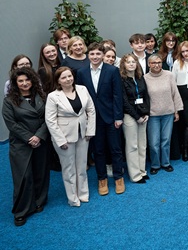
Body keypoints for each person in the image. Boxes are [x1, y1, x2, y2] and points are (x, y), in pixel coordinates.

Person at [2, 67, 50, 226]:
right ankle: (21, 211)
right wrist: (30, 138)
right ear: (15, 83)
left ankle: (39, 201)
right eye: (20, 81)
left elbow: (48, 118)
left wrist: (39, 136)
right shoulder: (9, 101)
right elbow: (11, 124)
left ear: (32, 80)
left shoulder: (41, 96)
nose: (24, 83)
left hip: (40, 139)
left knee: (40, 172)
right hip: (21, 142)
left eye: (27, 80)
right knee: (23, 176)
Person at [77, 42, 126, 195]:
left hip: (111, 117)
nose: (95, 56)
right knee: (98, 150)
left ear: (103, 55)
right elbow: (80, 96)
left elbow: (117, 95)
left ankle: (118, 178)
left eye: (98, 54)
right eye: (92, 54)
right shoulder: (81, 73)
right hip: (92, 118)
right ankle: (102, 179)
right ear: (88, 55)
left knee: (115, 149)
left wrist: (118, 117)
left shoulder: (112, 71)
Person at [45, 66, 96, 205]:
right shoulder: (53, 96)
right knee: (69, 169)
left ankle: (83, 193)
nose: (68, 79)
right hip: (64, 137)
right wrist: (60, 140)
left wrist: (90, 130)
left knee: (82, 166)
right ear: (58, 81)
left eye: (70, 76)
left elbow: (91, 110)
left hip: (83, 134)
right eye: (64, 77)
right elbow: (50, 120)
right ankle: (73, 198)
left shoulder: (82, 89)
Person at [145, 54, 183, 174]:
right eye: (154, 63)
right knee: (153, 143)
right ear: (149, 64)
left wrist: (177, 110)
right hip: (153, 115)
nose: (157, 65)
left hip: (168, 113)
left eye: (159, 62)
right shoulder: (145, 78)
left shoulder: (169, 75)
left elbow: (175, 93)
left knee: (166, 140)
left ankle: (166, 163)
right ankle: (155, 165)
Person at [119, 54, 150, 183]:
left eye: (133, 62)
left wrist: (146, 112)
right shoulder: (121, 80)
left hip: (142, 114)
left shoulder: (140, 77)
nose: (131, 64)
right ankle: (135, 175)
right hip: (129, 116)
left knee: (142, 144)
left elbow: (146, 96)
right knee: (132, 146)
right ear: (123, 65)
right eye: (128, 62)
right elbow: (124, 102)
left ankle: (142, 171)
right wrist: (137, 117)